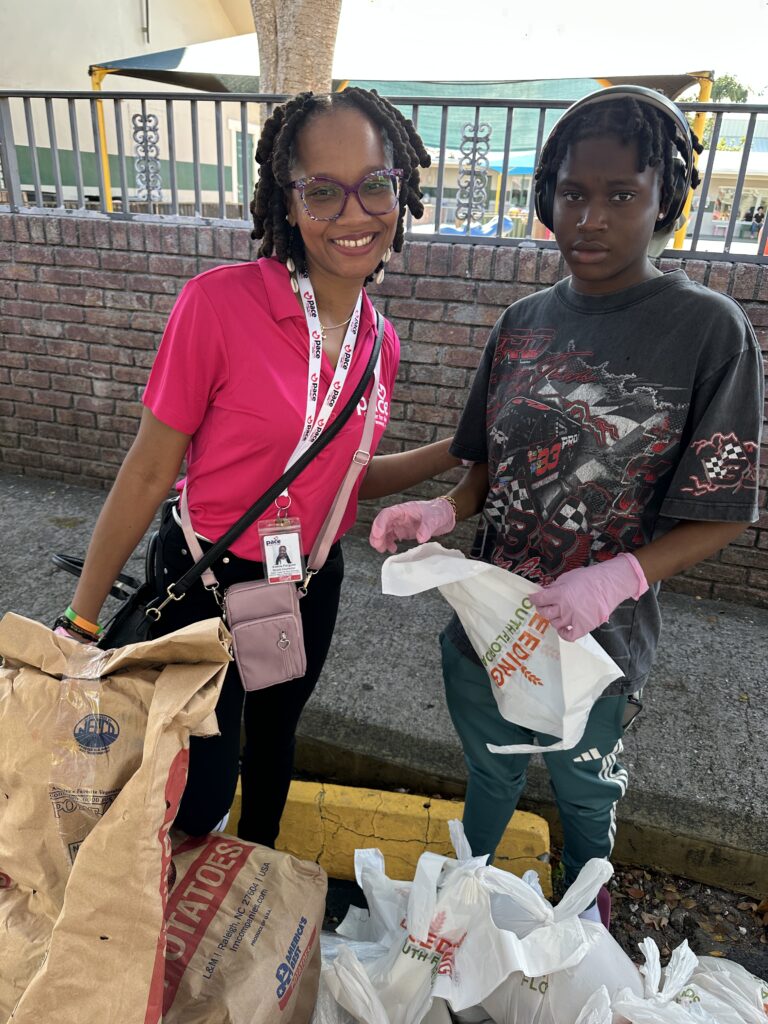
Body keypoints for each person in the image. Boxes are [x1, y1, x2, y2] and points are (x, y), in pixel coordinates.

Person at [370, 86, 764, 926]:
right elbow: (483, 465)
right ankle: (469, 904)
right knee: (491, 771)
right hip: (491, 628)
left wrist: (620, 575)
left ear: (666, 203)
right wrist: (445, 511)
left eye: (622, 195)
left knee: (588, 789)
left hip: (602, 644)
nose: (590, 218)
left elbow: (724, 511)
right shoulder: (521, 322)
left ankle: (586, 915)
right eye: (573, 193)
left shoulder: (708, 332)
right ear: (548, 195)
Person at [55, 87, 459, 846]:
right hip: (206, 578)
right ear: (288, 196)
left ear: (399, 190)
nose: (354, 214)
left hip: (305, 584)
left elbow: (345, 477)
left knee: (273, 749)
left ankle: (251, 907)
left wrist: (463, 453)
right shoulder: (219, 305)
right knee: (200, 787)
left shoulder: (382, 343)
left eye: (376, 184)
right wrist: (79, 618)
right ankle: (152, 918)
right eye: (322, 191)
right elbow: (147, 471)